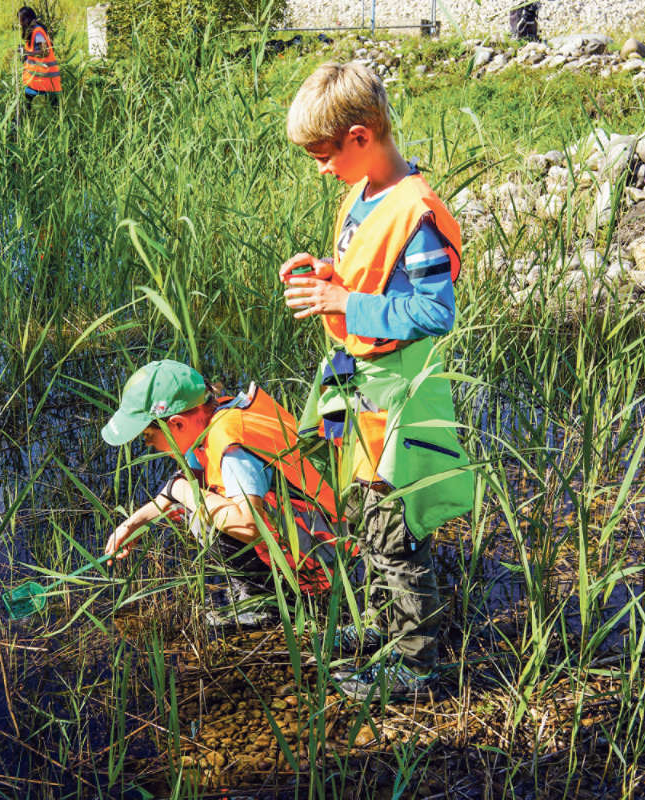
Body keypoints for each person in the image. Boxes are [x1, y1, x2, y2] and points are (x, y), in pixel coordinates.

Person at [279, 61, 474, 701]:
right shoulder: (364, 193)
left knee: (396, 527)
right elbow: (371, 268)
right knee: (367, 514)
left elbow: (433, 311)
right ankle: (391, 631)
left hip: (400, 393)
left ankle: (417, 665)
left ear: (360, 137)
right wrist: (328, 271)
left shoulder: (415, 211)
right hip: (360, 385)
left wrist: (343, 303)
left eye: (323, 154)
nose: (320, 168)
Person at [101, 360, 355, 627]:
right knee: (191, 502)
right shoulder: (215, 416)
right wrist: (132, 524)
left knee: (202, 519)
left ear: (176, 424)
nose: (148, 444)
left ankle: (267, 603)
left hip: (330, 552)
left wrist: (183, 491)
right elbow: (180, 485)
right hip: (316, 527)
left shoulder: (231, 447)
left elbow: (249, 524)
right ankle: (265, 589)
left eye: (148, 435)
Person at [17, 6, 61, 107]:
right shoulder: (33, 31)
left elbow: (45, 52)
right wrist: (24, 52)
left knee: (53, 105)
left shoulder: (38, 32)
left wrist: (26, 53)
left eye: (21, 20)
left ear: (28, 19)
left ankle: (19, 121)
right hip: (38, 78)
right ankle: (20, 121)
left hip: (44, 77)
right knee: (54, 105)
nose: (20, 24)